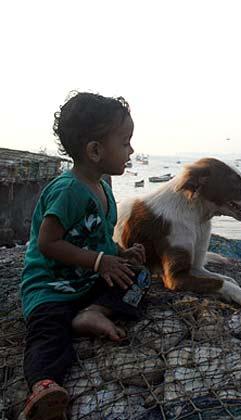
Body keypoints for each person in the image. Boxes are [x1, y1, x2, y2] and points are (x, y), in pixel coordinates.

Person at [20, 92, 147, 419]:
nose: (131, 150)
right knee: (49, 332)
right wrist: (99, 262)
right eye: (125, 142)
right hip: (52, 288)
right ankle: (44, 385)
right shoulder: (67, 190)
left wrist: (120, 254)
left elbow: (96, 238)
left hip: (86, 281)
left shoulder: (103, 188)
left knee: (141, 279)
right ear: (94, 151)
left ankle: (92, 311)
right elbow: (48, 243)